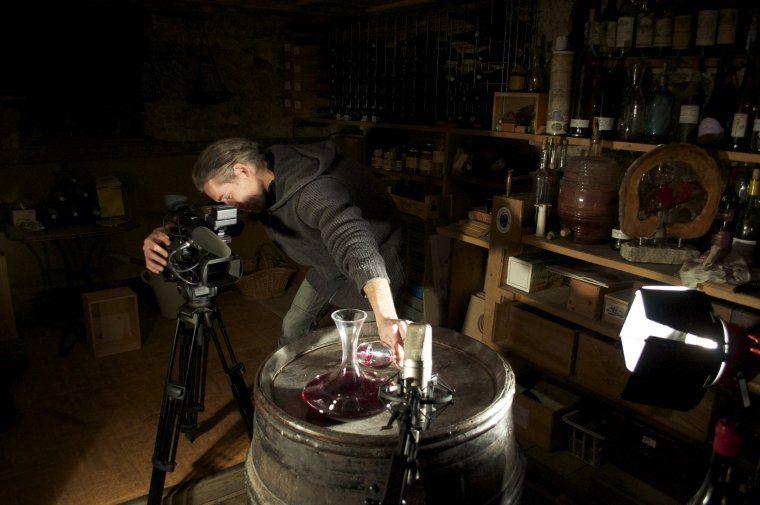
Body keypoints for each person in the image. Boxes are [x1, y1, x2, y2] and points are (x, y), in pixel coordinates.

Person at [142, 138, 407, 362]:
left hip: (373, 265)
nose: (229, 207)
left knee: (369, 349)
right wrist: (167, 233)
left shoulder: (312, 191)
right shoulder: (265, 174)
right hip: (326, 266)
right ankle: (283, 390)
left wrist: (385, 316)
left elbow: (354, 242)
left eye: (227, 197)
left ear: (243, 171)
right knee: (293, 326)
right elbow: (211, 218)